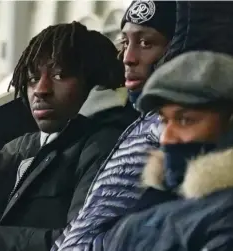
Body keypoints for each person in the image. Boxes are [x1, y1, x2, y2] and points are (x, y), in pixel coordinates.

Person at [0, 21, 138, 251]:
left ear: (94, 82)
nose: (40, 89)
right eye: (32, 79)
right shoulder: (16, 149)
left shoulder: (106, 144)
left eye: (59, 76)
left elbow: (84, 242)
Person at [53, 1, 176, 250]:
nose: (128, 58)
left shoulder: (168, 129)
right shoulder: (142, 123)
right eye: (125, 43)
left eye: (146, 43)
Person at [102, 51, 233, 251]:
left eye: (185, 120)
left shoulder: (231, 216)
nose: (166, 138)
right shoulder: (157, 197)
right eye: (164, 121)